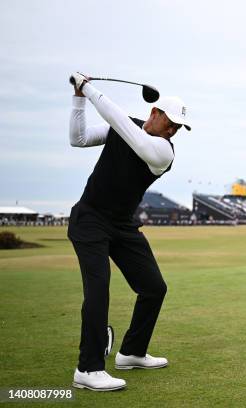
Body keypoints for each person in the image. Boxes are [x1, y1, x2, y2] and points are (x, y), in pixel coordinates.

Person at [67, 72, 191, 391]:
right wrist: (78, 98)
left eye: (179, 127)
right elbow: (78, 138)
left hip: (122, 224)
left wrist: (88, 88)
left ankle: (132, 352)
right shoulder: (123, 127)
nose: (173, 130)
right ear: (154, 112)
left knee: (154, 287)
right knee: (98, 291)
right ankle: (88, 369)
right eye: (171, 122)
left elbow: (125, 127)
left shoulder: (164, 152)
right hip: (89, 219)